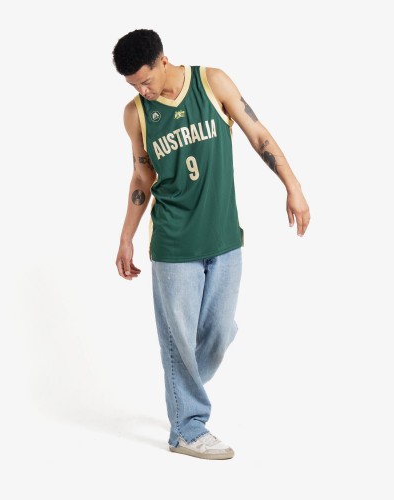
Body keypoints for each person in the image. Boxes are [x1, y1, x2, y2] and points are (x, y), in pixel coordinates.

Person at [112, 29, 310, 460]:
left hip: (223, 237)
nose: (143, 91)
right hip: (173, 243)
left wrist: (292, 186)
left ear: (164, 61)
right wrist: (126, 237)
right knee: (178, 339)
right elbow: (142, 176)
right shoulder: (136, 114)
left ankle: (181, 392)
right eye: (134, 86)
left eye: (146, 81)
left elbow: (258, 134)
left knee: (219, 332)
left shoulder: (212, 82)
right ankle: (186, 428)